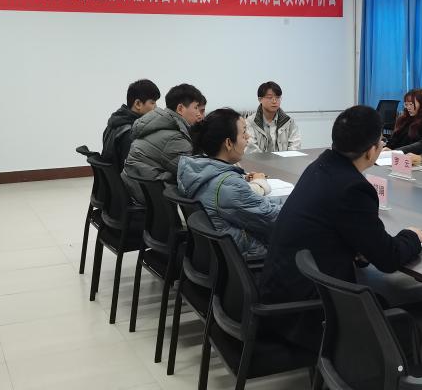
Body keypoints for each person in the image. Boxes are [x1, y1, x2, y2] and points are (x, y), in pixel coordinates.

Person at [259, 105, 422, 349]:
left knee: (381, 297)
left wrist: (358, 248)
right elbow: (388, 259)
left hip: (280, 296)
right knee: (402, 323)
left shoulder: (319, 167)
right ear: (371, 151)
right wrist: (411, 236)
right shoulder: (353, 188)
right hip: (307, 313)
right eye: (381, 141)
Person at [177, 108, 280, 258]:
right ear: (228, 143)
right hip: (247, 258)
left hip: (212, 257)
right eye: (243, 133)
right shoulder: (229, 185)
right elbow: (274, 219)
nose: (248, 137)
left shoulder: (195, 169)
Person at [123, 83, 206, 203]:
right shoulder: (175, 137)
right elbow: (193, 176)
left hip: (135, 190)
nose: (199, 114)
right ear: (180, 109)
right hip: (151, 200)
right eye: (196, 108)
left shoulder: (159, 123)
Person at [101, 78, 160, 172]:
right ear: (138, 104)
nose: (156, 107)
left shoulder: (113, 124)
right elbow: (132, 172)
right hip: (126, 179)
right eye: (152, 103)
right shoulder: (131, 133)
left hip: (114, 178)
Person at [244, 81, 301, 153]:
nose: (274, 101)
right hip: (259, 160)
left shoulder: (288, 121)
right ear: (260, 99)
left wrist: (286, 159)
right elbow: (251, 149)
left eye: (278, 97)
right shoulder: (250, 122)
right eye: (270, 97)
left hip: (284, 160)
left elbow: (295, 145)